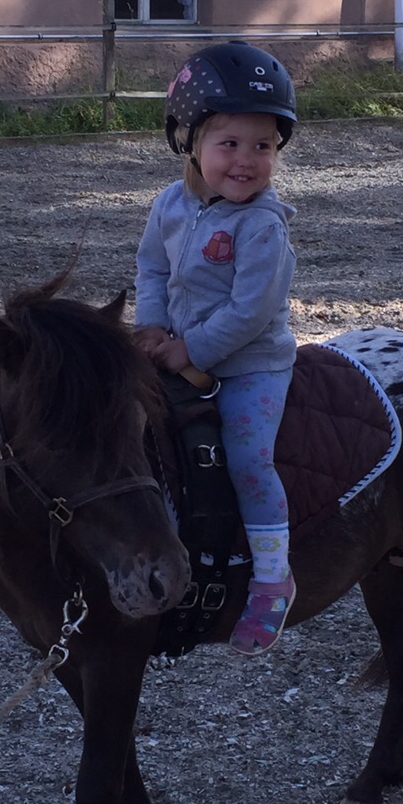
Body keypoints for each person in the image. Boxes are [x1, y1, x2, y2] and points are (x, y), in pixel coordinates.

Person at [133, 41, 298, 655]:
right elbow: (151, 268)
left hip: (251, 364)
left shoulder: (262, 226)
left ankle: (272, 579)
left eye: (264, 146)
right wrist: (152, 329)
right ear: (190, 142)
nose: (247, 160)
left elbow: (251, 311)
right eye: (230, 143)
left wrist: (190, 350)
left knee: (249, 459)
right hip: (177, 348)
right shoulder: (170, 205)